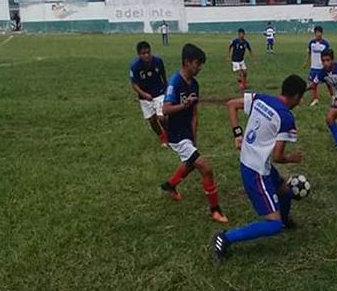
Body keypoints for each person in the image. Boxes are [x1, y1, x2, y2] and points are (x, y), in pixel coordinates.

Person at [212, 75, 307, 262]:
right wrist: (291, 158)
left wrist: (237, 134)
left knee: (285, 192)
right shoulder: (286, 118)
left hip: (254, 161)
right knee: (273, 225)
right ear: (296, 96)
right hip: (256, 171)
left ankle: (285, 219)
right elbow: (279, 156)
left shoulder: (261, 98)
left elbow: (231, 104)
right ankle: (225, 238)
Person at [160, 43, 228, 223]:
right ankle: (215, 210)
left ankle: (170, 185)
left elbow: (194, 113)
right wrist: (184, 105)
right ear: (187, 62)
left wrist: (193, 136)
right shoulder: (175, 82)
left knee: (190, 163)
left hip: (186, 134)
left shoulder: (194, 84)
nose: (199, 68)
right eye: (197, 64)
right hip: (176, 135)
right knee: (206, 168)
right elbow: (165, 109)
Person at [129, 41, 168, 147]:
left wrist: (166, 88)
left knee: (161, 117)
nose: (146, 55)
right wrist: (144, 94)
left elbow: (163, 76)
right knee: (152, 120)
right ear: (139, 54)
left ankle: (171, 135)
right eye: (143, 53)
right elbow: (134, 84)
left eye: (148, 52)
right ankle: (162, 136)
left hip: (159, 92)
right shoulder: (135, 66)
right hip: (144, 97)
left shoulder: (158, 61)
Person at [302, 25, 330, 107]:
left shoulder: (325, 44)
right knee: (313, 83)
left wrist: (327, 65)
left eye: (320, 32)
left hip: (322, 67)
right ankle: (315, 99)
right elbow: (309, 53)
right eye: (317, 32)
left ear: (322, 33)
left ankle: (333, 96)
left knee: (328, 82)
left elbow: (328, 55)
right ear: (314, 33)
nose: (318, 34)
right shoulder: (311, 43)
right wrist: (306, 63)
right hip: (314, 67)